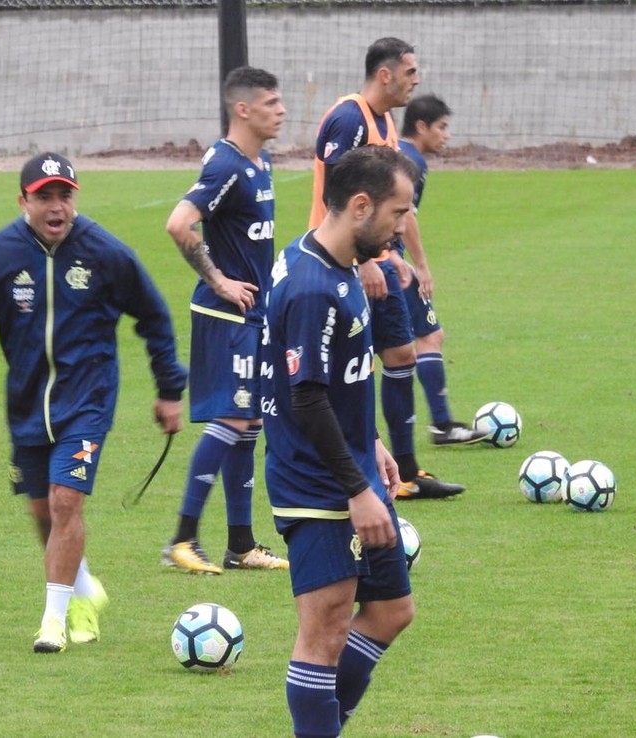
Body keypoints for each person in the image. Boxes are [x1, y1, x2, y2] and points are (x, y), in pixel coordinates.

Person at [0, 152, 187, 654]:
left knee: (67, 502)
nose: (56, 206)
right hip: (25, 405)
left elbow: (154, 316)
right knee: (44, 513)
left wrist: (169, 390)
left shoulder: (106, 253)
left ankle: (53, 622)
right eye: (44, 196)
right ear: (23, 200)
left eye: (64, 195)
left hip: (88, 401)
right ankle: (83, 588)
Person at [263, 145, 418, 738]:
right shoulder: (309, 287)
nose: (401, 227)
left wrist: (371, 437)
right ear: (360, 205)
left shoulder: (342, 265)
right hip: (318, 483)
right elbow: (306, 399)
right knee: (324, 633)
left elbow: (341, 375)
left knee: (389, 612)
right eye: (397, 213)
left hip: (350, 464)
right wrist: (357, 491)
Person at [310, 37, 467, 500]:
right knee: (353, 368)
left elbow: (383, 203)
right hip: (344, 266)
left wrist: (397, 256)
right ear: (386, 74)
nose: (416, 80)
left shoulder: (384, 120)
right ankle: (359, 471)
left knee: (401, 355)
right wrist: (364, 261)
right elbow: (336, 200)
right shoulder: (348, 117)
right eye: (410, 71)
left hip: (379, 259)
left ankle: (408, 472)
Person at [161, 66, 288, 575]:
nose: (281, 111)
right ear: (244, 110)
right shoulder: (228, 166)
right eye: (272, 103)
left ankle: (241, 545)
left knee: (249, 422)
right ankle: (182, 539)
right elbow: (179, 223)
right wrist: (219, 281)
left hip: (253, 312)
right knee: (233, 418)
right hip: (225, 312)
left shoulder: (262, 162)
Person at [398, 94, 486, 444]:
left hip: (380, 260)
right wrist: (421, 265)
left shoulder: (401, 153)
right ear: (421, 127)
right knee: (428, 337)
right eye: (442, 127)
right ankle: (442, 425)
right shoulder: (412, 162)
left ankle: (440, 424)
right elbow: (406, 215)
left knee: (403, 346)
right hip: (390, 264)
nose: (447, 135)